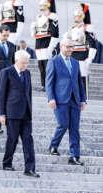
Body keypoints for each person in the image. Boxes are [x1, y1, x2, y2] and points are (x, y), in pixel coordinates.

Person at [0, 50, 40, 178]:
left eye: (27, 63)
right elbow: (1, 95)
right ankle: (7, 163)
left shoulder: (27, 73)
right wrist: (1, 113)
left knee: (28, 140)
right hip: (12, 113)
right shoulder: (6, 72)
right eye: (23, 63)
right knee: (13, 139)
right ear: (16, 61)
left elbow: (29, 93)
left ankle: (30, 168)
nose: (25, 66)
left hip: (26, 113)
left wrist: (30, 109)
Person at [46, 36, 86, 166]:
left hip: (75, 100)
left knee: (75, 128)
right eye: (68, 47)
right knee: (63, 124)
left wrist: (83, 99)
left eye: (72, 47)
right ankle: (53, 145)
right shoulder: (54, 61)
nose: (71, 49)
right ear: (61, 46)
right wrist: (50, 98)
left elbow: (80, 82)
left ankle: (74, 156)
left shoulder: (75, 62)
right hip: (60, 100)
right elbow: (49, 82)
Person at [31, 0, 59, 92]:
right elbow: (34, 34)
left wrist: (51, 46)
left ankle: (49, 85)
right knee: (41, 66)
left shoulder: (52, 16)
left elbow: (55, 33)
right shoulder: (40, 17)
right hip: (38, 43)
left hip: (47, 43)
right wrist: (32, 27)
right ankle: (44, 85)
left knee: (48, 66)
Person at [69, 3, 96, 98]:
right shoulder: (72, 29)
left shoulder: (87, 28)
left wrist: (90, 58)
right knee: (72, 76)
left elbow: (93, 45)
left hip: (82, 55)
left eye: (78, 16)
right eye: (75, 16)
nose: (75, 17)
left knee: (82, 76)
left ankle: (83, 96)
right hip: (72, 55)